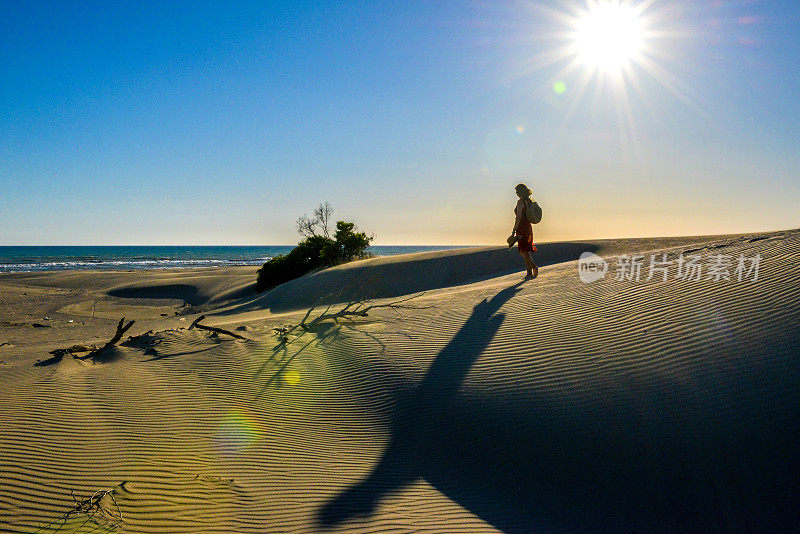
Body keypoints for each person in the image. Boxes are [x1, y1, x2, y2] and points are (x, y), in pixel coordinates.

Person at [509, 183, 538, 279]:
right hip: (528, 227)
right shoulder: (529, 201)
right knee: (524, 250)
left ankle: (529, 273)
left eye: (517, 191)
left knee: (524, 251)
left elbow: (518, 217)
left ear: (520, 192)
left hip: (522, 228)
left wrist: (514, 230)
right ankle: (533, 267)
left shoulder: (520, 202)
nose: (516, 193)